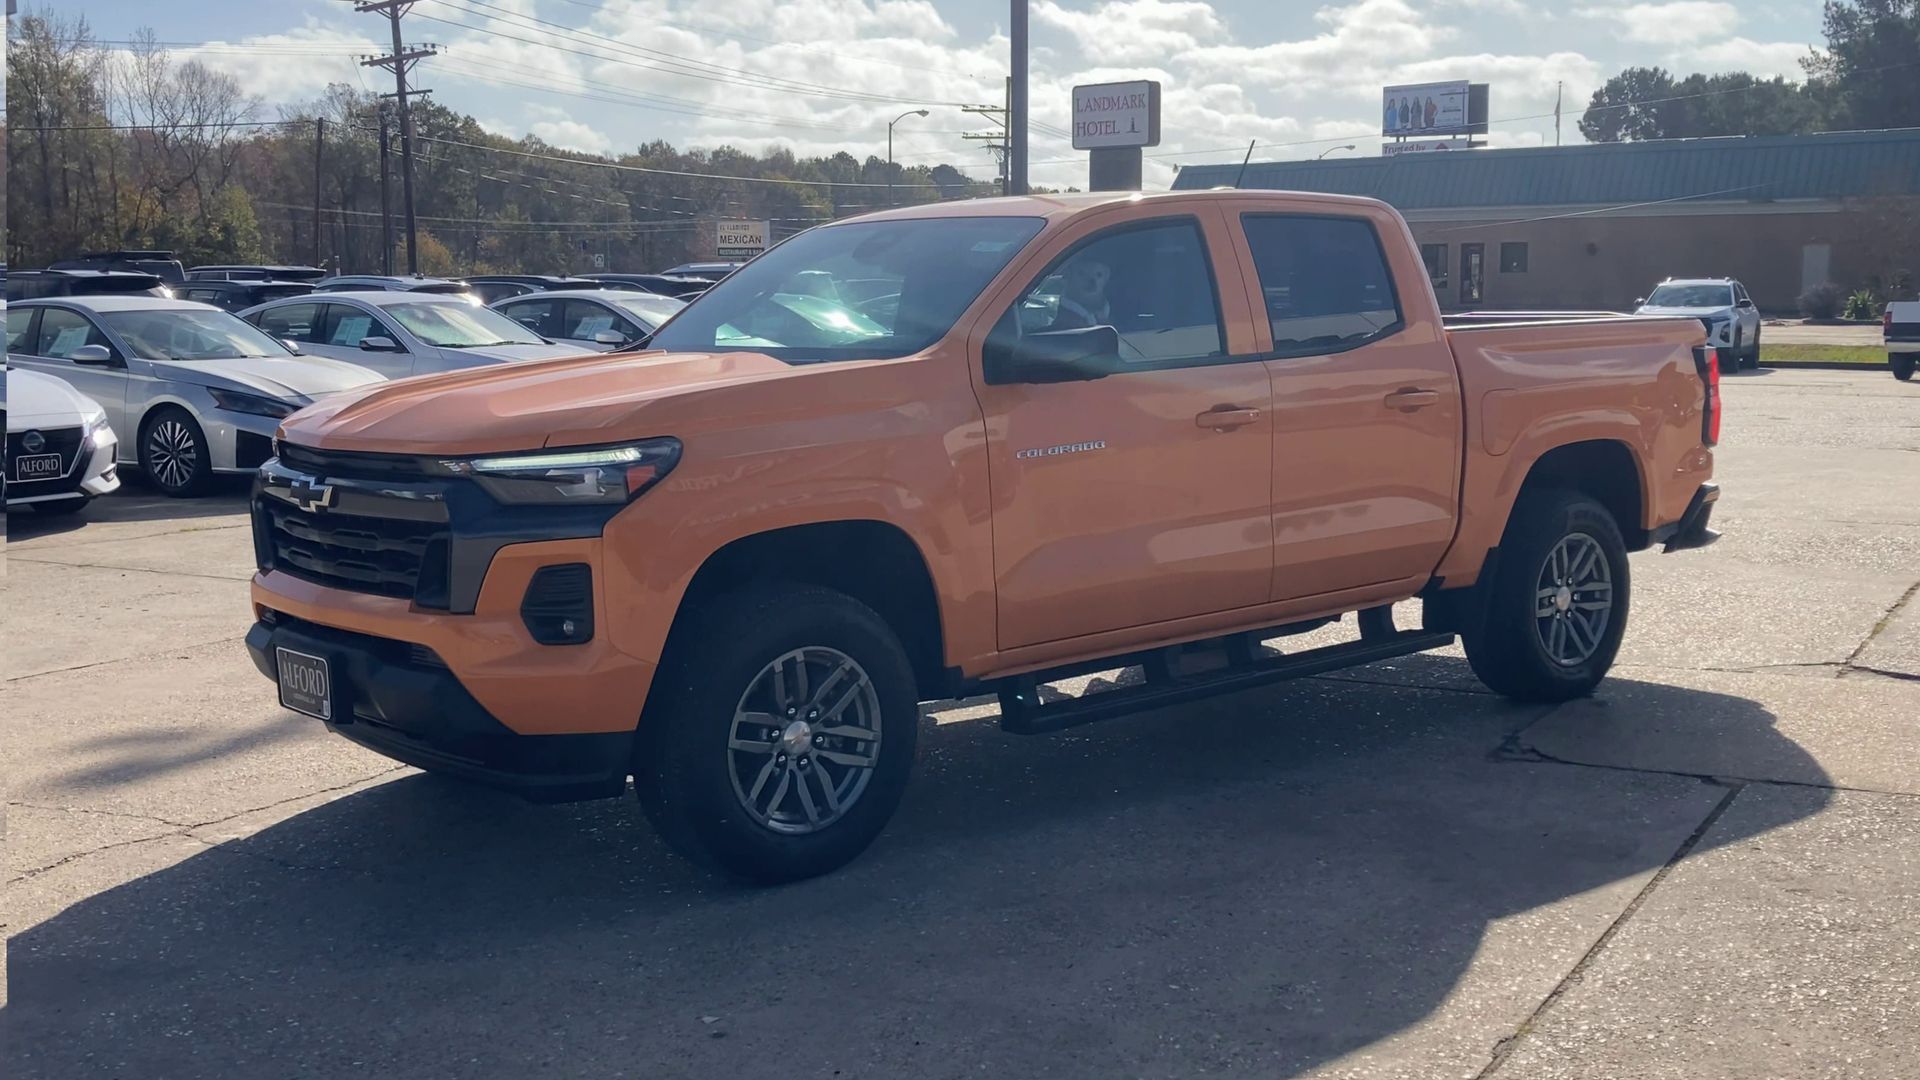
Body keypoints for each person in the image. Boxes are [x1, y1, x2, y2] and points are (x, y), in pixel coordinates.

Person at [1049, 258, 1112, 331]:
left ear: (1106, 280)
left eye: (1099, 275)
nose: (1092, 280)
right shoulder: (1064, 320)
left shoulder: (1115, 311)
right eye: (1082, 274)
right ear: (1069, 276)